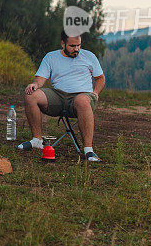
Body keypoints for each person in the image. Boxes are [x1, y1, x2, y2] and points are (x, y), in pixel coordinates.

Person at [17, 30, 106, 162]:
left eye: (79, 45)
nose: (76, 49)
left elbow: (100, 78)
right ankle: (37, 140)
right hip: (58, 96)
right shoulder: (51, 57)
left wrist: (95, 93)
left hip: (83, 97)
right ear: (63, 44)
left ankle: (88, 150)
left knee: (82, 100)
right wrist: (35, 84)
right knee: (31, 95)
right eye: (72, 46)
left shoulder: (89, 56)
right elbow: (40, 78)